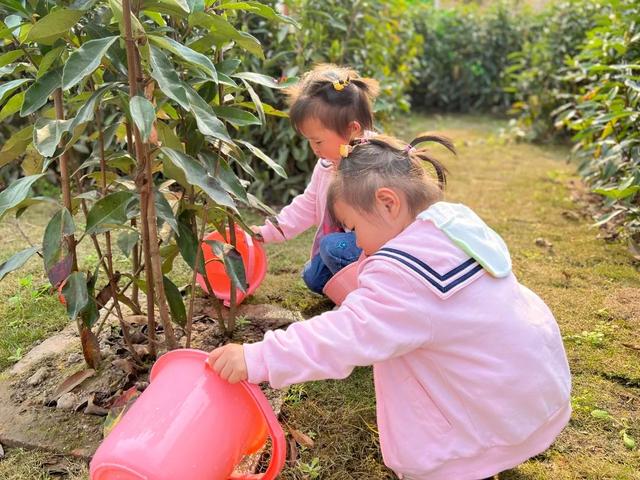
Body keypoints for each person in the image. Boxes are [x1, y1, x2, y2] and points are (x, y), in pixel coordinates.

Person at [210, 133, 571, 480]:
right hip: (533, 395)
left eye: (353, 227)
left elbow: (345, 335)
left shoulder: (404, 277)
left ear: (387, 203)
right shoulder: (452, 226)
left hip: (490, 418)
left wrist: (259, 357)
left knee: (440, 462)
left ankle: (470, 463)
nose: (354, 240)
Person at [252, 63, 379, 295]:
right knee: (313, 276)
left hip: (379, 247)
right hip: (349, 247)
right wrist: (268, 231)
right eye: (309, 141)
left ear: (352, 129)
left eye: (318, 141)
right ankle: (354, 283)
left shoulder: (375, 161)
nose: (314, 149)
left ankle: (375, 293)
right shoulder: (327, 165)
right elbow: (307, 204)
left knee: (330, 248)